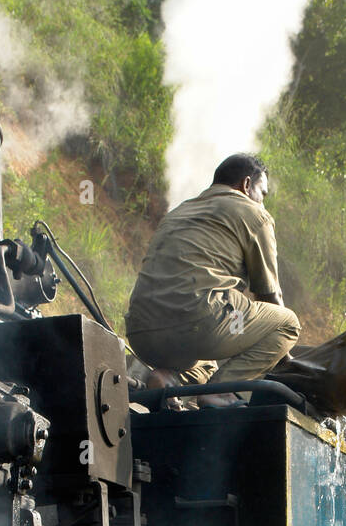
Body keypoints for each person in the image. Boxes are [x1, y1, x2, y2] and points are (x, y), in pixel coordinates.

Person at [125, 153, 301, 389]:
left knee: (207, 365)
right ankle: (220, 392)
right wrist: (285, 355)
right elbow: (269, 296)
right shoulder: (254, 213)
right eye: (263, 193)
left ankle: (165, 378)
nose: (262, 202)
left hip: (141, 333)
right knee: (288, 323)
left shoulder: (179, 211)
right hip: (196, 325)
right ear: (247, 185)